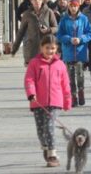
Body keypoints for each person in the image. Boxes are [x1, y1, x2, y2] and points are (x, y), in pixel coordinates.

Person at [24, 35, 72, 168]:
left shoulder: (60, 64)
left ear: (56, 49)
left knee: (49, 127)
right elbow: (29, 79)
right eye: (47, 48)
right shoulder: (34, 63)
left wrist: (67, 101)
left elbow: (66, 84)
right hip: (38, 102)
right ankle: (45, 146)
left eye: (52, 48)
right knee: (41, 130)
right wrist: (31, 93)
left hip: (55, 102)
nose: (50, 51)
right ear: (41, 48)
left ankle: (52, 155)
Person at [57, 0, 91, 107]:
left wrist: (81, 39)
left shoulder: (83, 19)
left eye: (75, 6)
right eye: (71, 6)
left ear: (78, 7)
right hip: (68, 52)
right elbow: (59, 35)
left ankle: (81, 92)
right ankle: (73, 97)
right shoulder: (64, 19)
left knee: (80, 75)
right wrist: (69, 39)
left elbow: (90, 33)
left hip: (80, 52)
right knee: (70, 77)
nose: (73, 8)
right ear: (69, 7)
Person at [12, 0, 58, 66]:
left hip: (46, 49)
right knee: (33, 75)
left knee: (45, 74)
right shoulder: (27, 14)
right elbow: (21, 32)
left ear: (42, 0)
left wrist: (48, 30)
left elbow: (56, 27)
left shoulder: (49, 12)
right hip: (31, 50)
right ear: (31, 1)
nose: (37, 1)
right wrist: (15, 48)